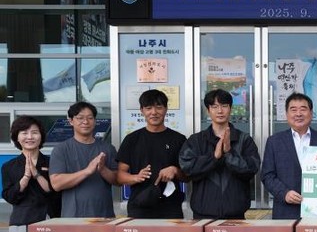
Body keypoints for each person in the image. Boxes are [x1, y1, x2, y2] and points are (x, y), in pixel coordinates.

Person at [179, 89, 261, 219]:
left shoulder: (244, 139)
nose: (220, 111)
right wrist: (214, 157)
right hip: (203, 215)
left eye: (224, 106)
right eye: (214, 106)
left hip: (236, 215)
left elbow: (252, 169)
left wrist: (229, 153)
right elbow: (187, 168)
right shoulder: (196, 140)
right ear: (208, 110)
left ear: (230, 109)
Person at [261, 92, 317, 219]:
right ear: (286, 114)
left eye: (303, 109)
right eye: (293, 110)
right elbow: (267, 175)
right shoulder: (274, 142)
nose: (298, 114)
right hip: (285, 212)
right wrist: (284, 193)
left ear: (311, 113)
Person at [116, 89, 187, 218]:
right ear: (142, 110)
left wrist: (175, 170)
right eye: (148, 108)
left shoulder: (179, 139)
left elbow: (188, 176)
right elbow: (120, 176)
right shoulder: (132, 139)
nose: (154, 112)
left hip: (171, 208)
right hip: (139, 207)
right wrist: (136, 177)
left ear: (166, 109)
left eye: (159, 107)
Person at [49, 101, 118, 217]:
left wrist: (103, 169)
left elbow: (118, 181)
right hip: (73, 217)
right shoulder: (61, 149)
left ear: (95, 121)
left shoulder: (108, 148)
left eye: (90, 118)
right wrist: (87, 171)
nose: (85, 122)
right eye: (80, 118)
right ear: (71, 121)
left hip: (104, 216)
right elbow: (56, 184)